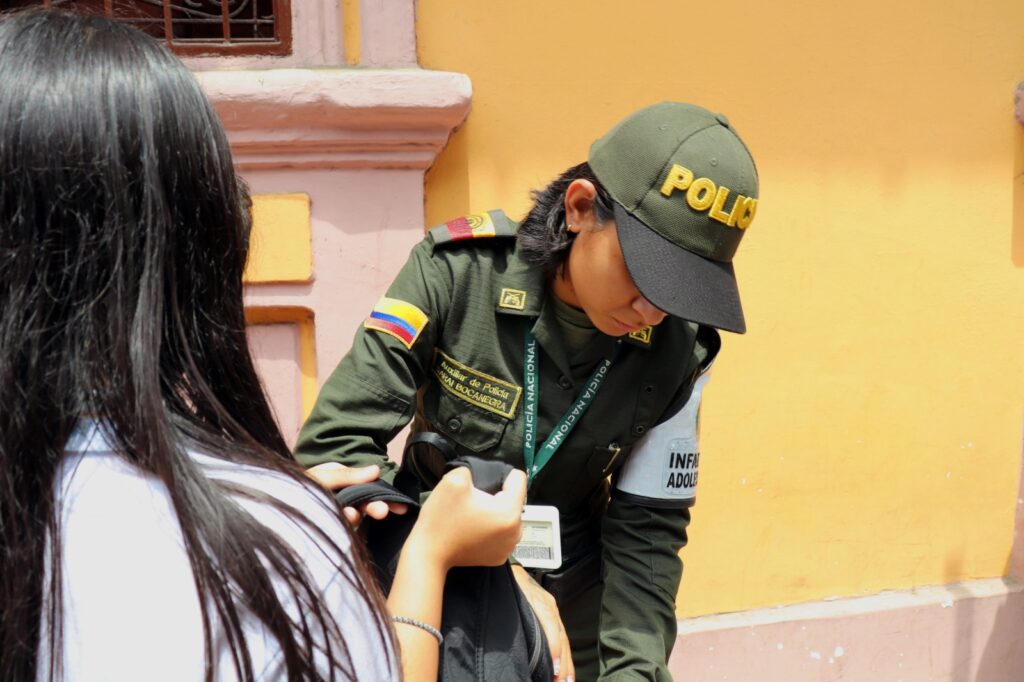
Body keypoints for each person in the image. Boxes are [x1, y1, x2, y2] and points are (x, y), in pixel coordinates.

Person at [0, 9, 525, 682]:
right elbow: (343, 431)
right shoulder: (459, 268)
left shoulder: (660, 345)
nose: (643, 306)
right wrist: (424, 552)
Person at [297, 101, 760, 680]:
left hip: (578, 612)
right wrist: (504, 574)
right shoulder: (456, 276)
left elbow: (648, 530)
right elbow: (333, 451)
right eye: (646, 275)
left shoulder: (680, 352)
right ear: (580, 209)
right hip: (442, 597)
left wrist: (633, 672)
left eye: (682, 291)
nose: (653, 310)